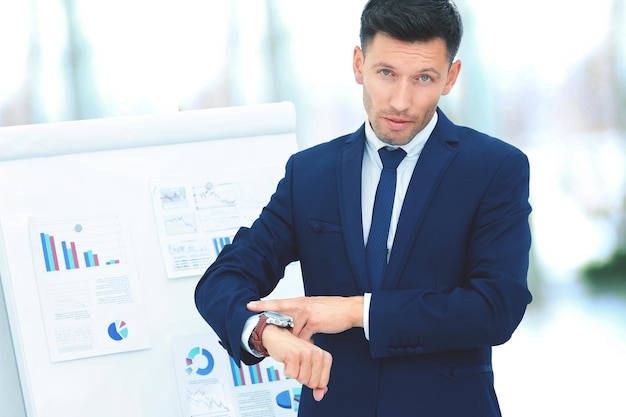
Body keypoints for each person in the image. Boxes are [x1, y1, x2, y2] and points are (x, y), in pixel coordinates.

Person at [195, 0, 532, 415]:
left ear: (451, 77)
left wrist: (355, 310)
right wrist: (267, 333)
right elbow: (223, 278)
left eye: (423, 78)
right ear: (359, 64)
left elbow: (496, 307)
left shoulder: (495, 168)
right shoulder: (310, 174)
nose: (401, 101)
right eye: (386, 73)